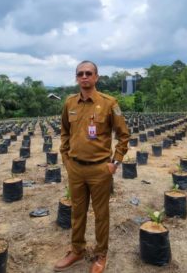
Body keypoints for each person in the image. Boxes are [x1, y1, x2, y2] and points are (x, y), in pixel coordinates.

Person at [54, 60, 130, 273]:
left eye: (89, 73)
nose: (84, 77)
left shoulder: (109, 103)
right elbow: (65, 132)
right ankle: (77, 250)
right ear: (76, 78)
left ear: (96, 77)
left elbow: (124, 135)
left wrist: (115, 163)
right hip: (76, 168)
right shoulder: (70, 103)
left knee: (100, 213)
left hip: (100, 169)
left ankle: (100, 255)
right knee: (77, 211)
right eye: (80, 74)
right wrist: (66, 158)